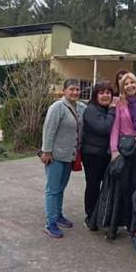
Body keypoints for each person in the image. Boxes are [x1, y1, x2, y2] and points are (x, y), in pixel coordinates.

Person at [40, 79, 86, 238]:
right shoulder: (58, 107)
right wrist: (46, 151)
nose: (74, 92)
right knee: (52, 190)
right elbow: (48, 129)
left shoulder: (80, 107)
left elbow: (94, 110)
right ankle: (50, 222)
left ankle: (58, 215)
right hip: (55, 156)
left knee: (61, 188)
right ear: (64, 90)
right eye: (71, 89)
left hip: (69, 156)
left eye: (77, 90)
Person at [110, 72, 136, 230]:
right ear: (122, 87)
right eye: (126, 84)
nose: (130, 86)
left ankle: (133, 221)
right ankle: (123, 218)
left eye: (132, 83)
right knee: (124, 185)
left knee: (135, 185)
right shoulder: (119, 105)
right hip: (125, 150)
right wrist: (114, 150)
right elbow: (115, 128)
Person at [81, 81, 115, 230]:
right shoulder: (91, 110)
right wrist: (113, 111)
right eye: (102, 93)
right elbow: (105, 128)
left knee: (106, 186)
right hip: (92, 155)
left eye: (108, 92)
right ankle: (90, 216)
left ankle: (102, 214)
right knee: (93, 185)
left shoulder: (106, 109)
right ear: (96, 95)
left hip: (106, 154)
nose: (105, 95)